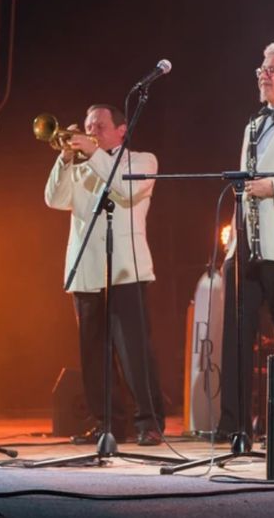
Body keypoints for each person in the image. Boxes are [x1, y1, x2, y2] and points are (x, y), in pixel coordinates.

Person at [44, 104, 164, 446]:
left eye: (98, 125)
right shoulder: (82, 168)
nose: (90, 131)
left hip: (127, 270)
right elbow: (54, 200)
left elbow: (125, 190)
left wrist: (93, 152)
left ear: (121, 130)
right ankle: (108, 423)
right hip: (86, 271)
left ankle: (149, 422)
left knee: (133, 351)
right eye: (87, 126)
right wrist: (65, 159)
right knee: (93, 355)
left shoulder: (142, 161)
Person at [217, 41, 274, 440]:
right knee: (237, 336)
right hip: (248, 244)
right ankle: (233, 423)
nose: (263, 74)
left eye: (272, 69)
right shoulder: (254, 123)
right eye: (262, 67)